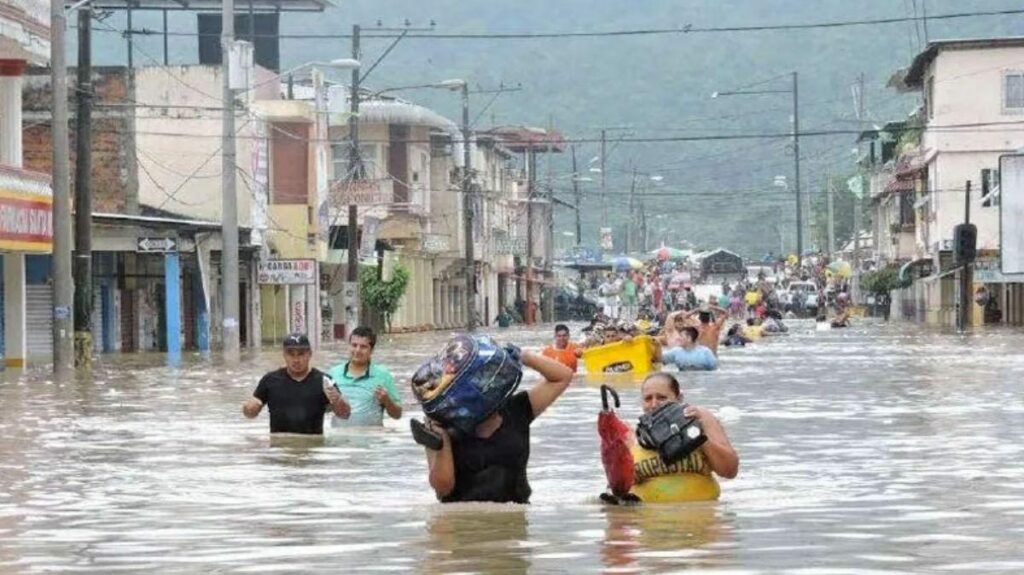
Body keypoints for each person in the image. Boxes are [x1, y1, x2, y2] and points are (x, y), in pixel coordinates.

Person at [417, 346, 575, 504]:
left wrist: (525, 357)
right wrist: (442, 439)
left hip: (514, 519)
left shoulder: (517, 409)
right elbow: (443, 488)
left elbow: (563, 376)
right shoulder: (443, 423)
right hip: (463, 523)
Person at [243, 333, 350, 434]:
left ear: (310, 354)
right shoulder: (270, 380)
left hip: (312, 447)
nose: (296, 360)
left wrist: (337, 400)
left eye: (301, 354)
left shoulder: (324, 380)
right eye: (291, 354)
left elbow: (345, 415)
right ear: (284, 355)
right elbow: (250, 413)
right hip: (279, 448)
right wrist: (250, 408)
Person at [327, 326, 401, 427]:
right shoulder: (333, 374)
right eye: (354, 345)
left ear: (371, 350)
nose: (357, 350)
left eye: (363, 347)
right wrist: (332, 400)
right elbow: (322, 410)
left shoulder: (383, 375)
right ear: (349, 346)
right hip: (340, 439)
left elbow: (397, 415)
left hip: (371, 439)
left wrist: (386, 400)